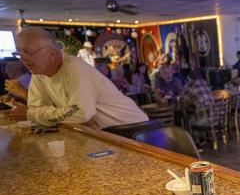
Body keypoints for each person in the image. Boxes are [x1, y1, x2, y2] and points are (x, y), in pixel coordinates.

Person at [12, 27, 148, 128]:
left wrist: (35, 115)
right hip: (103, 133)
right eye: (19, 52)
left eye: (28, 52)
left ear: (52, 53)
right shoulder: (39, 73)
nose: (22, 59)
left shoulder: (75, 67)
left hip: (134, 129)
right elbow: (36, 108)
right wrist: (69, 115)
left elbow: (81, 113)